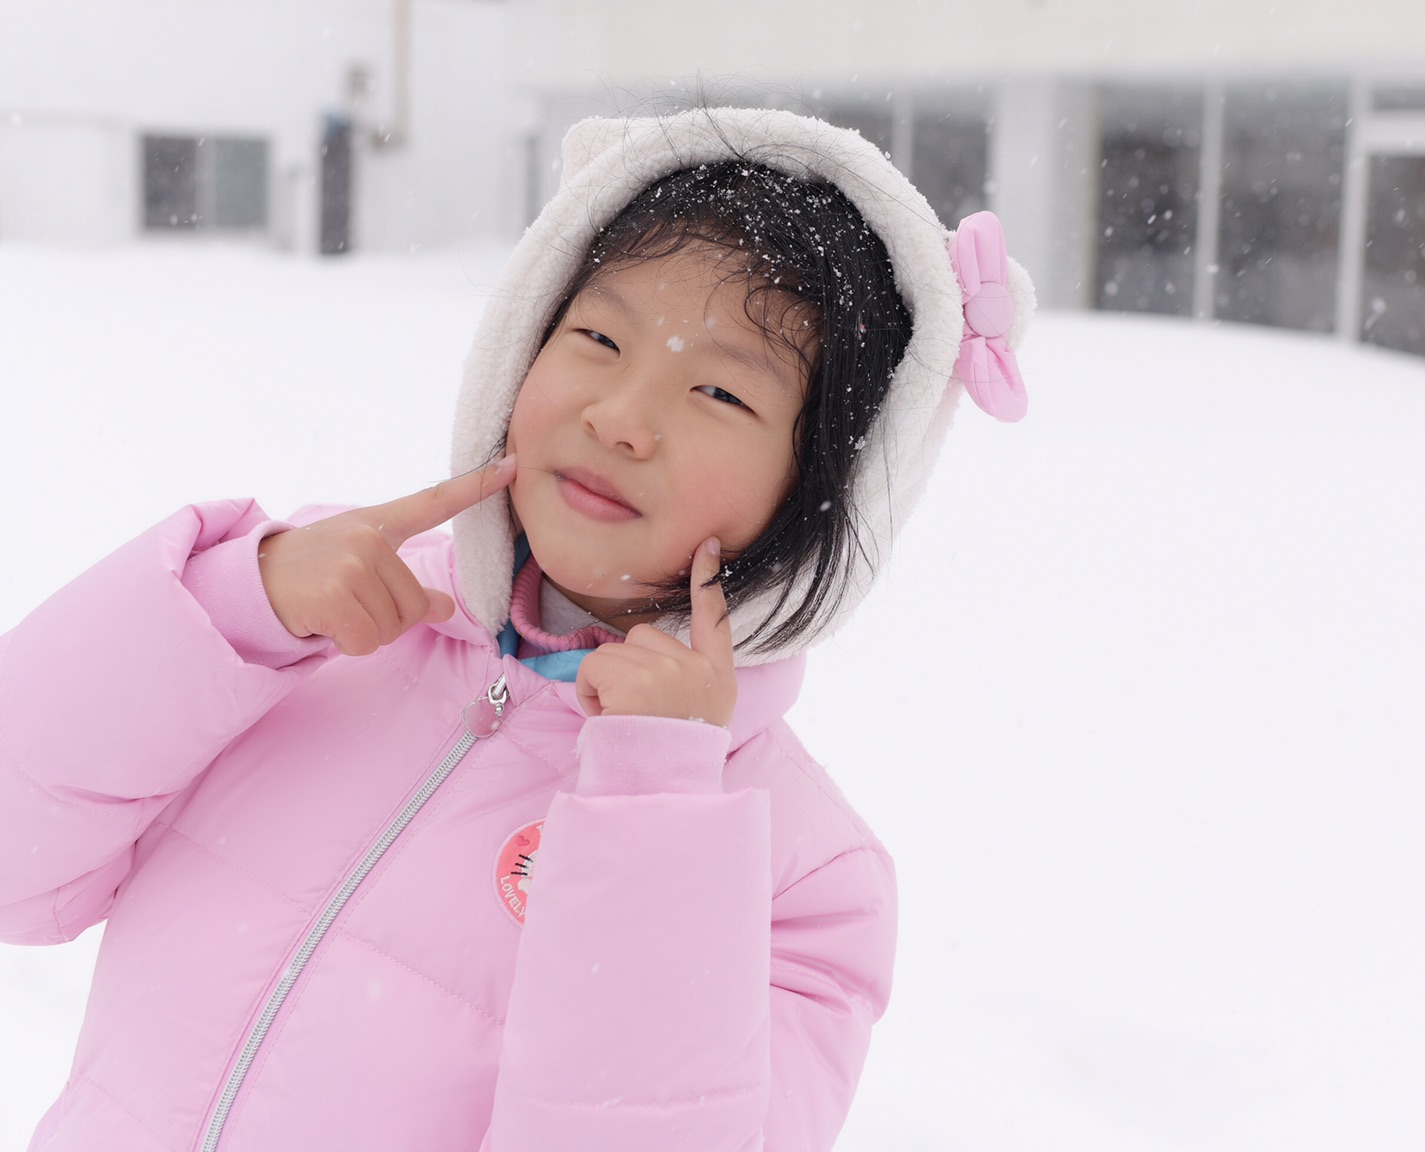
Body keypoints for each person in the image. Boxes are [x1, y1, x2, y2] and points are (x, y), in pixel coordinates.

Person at [0, 108, 1034, 1151]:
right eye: (596, 337)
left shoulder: (802, 877)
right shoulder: (319, 623)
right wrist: (237, 607)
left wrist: (658, 804)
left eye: (719, 388)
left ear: (819, 491)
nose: (623, 414)